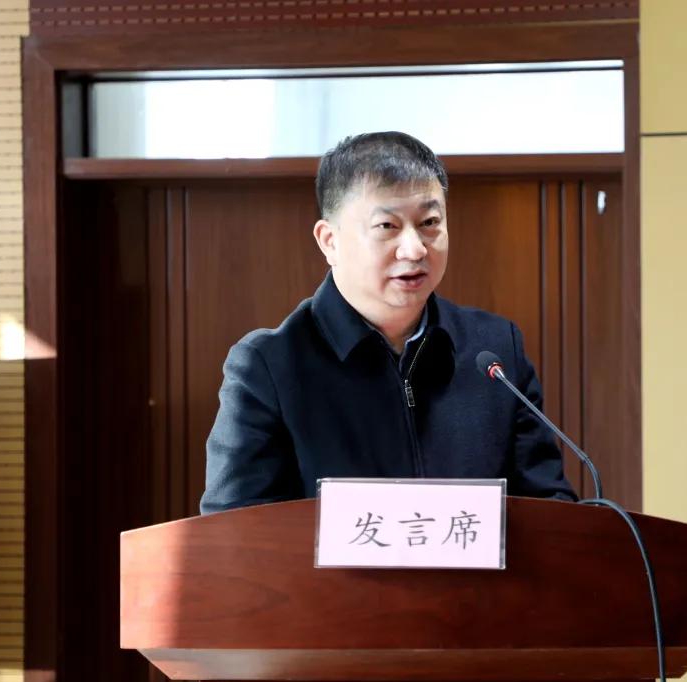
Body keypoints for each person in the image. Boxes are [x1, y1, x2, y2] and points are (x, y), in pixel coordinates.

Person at [200, 131, 577, 514]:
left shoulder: (493, 352)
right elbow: (234, 530)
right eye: (387, 226)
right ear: (329, 241)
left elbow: (552, 510)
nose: (414, 249)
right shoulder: (270, 366)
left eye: (430, 222)